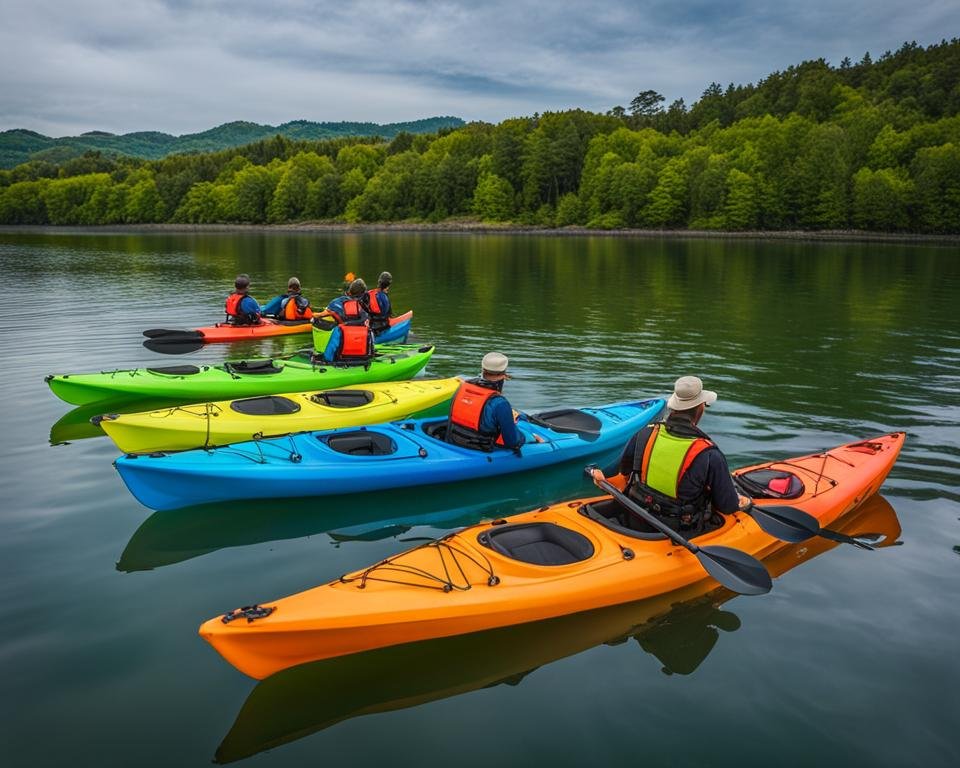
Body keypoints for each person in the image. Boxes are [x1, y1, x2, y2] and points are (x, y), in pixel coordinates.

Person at [614, 375, 740, 534]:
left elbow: (624, 473)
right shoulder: (709, 454)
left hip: (637, 518)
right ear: (701, 407)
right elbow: (728, 506)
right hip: (678, 530)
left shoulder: (645, 433)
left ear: (674, 406)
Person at [446, 352, 525, 452]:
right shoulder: (500, 403)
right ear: (504, 374)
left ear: (483, 369)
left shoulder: (461, 388)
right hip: (479, 450)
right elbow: (512, 443)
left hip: (454, 441)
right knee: (524, 431)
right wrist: (525, 438)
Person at [314, 279, 375, 364]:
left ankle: (329, 360)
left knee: (337, 332)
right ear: (362, 294)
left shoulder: (336, 304)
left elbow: (320, 315)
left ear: (350, 290)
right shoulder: (364, 311)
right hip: (363, 356)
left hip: (341, 355)